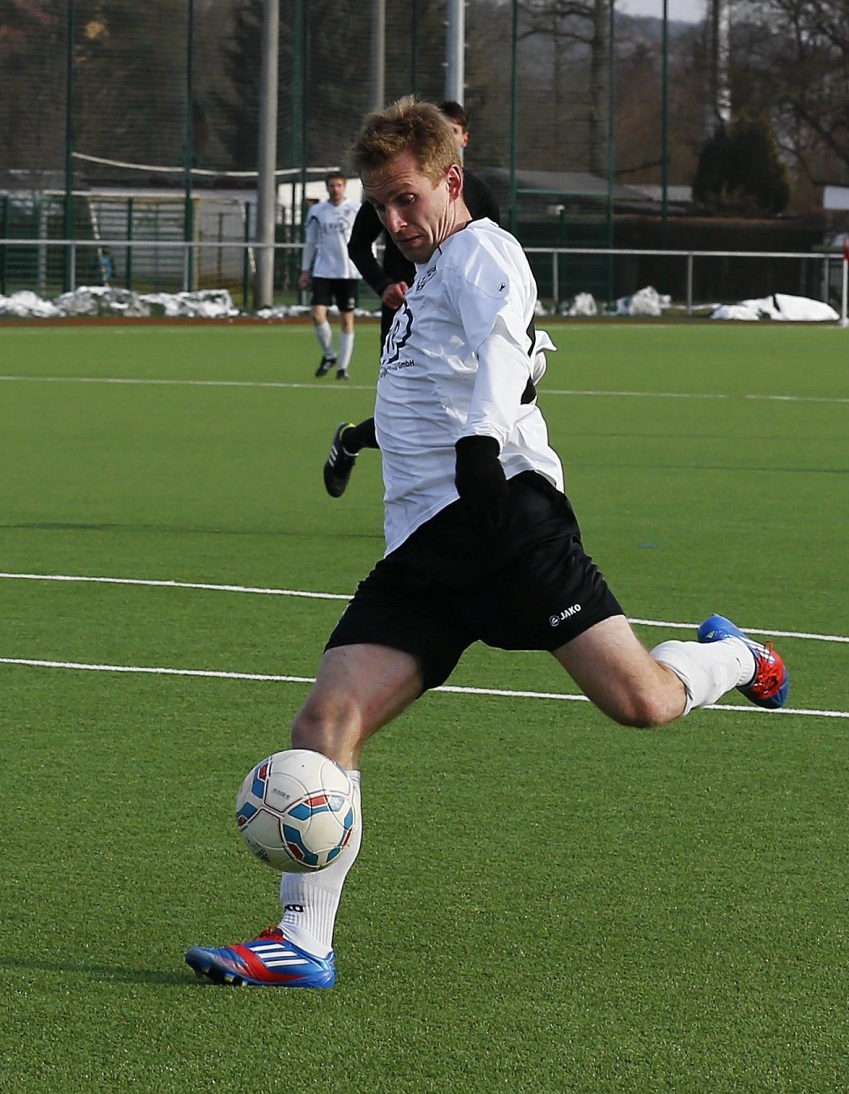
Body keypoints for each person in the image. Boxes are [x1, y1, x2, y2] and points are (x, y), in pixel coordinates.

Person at [185, 98, 789, 990]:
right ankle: (303, 943)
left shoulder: (482, 251)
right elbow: (433, 396)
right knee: (323, 724)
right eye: (379, 209)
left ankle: (736, 656)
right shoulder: (421, 284)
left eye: (405, 200)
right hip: (422, 552)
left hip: (507, 523)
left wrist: (478, 447)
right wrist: (363, 435)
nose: (393, 223)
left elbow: (506, 351)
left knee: (643, 705)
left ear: (450, 183)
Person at [325, 100, 499, 497]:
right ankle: (359, 448)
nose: (396, 219)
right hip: (405, 310)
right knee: (408, 409)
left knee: (469, 404)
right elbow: (358, 246)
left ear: (462, 139)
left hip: (460, 315)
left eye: (452, 131)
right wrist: (385, 284)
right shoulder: (394, 182)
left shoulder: (479, 196)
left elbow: (494, 263)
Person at [299, 170, 363, 380]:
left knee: (347, 320)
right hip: (323, 270)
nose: (335, 189)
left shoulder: (355, 209)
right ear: (326, 188)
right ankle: (329, 355)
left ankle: (343, 367)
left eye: (339, 185)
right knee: (317, 314)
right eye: (331, 185)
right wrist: (305, 269)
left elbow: (366, 240)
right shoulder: (318, 211)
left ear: (344, 187)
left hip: (348, 271)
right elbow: (310, 242)